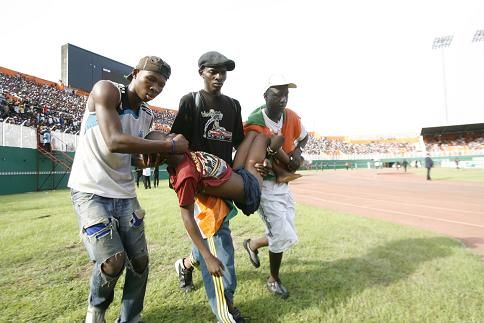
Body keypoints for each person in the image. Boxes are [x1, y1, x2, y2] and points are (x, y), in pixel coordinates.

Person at [68, 56, 189, 323]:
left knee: (140, 261)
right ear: (134, 74)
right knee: (113, 260)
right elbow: (114, 141)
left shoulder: (147, 115)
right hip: (90, 190)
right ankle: (96, 310)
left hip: (124, 193)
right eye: (151, 79)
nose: (156, 87)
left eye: (161, 84)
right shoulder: (107, 90)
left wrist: (151, 154)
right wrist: (169, 145)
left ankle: (131, 317)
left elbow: (132, 155)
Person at [169, 51, 246, 322]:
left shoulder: (233, 105)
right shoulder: (191, 102)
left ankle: (186, 264)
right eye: (213, 71)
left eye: (223, 71)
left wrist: (248, 168)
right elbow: (177, 141)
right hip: (202, 187)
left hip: (225, 181)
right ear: (201, 72)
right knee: (221, 243)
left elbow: (239, 141)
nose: (219, 76)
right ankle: (225, 306)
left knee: (212, 237)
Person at [242, 75, 308, 299]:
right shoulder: (254, 121)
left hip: (282, 182)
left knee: (288, 232)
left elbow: (304, 137)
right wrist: (269, 161)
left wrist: (296, 155)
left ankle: (252, 244)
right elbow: (251, 156)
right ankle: (273, 280)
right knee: (281, 233)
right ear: (265, 95)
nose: (283, 99)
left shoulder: (291, 116)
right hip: (265, 184)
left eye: (286, 94)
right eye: (277, 94)